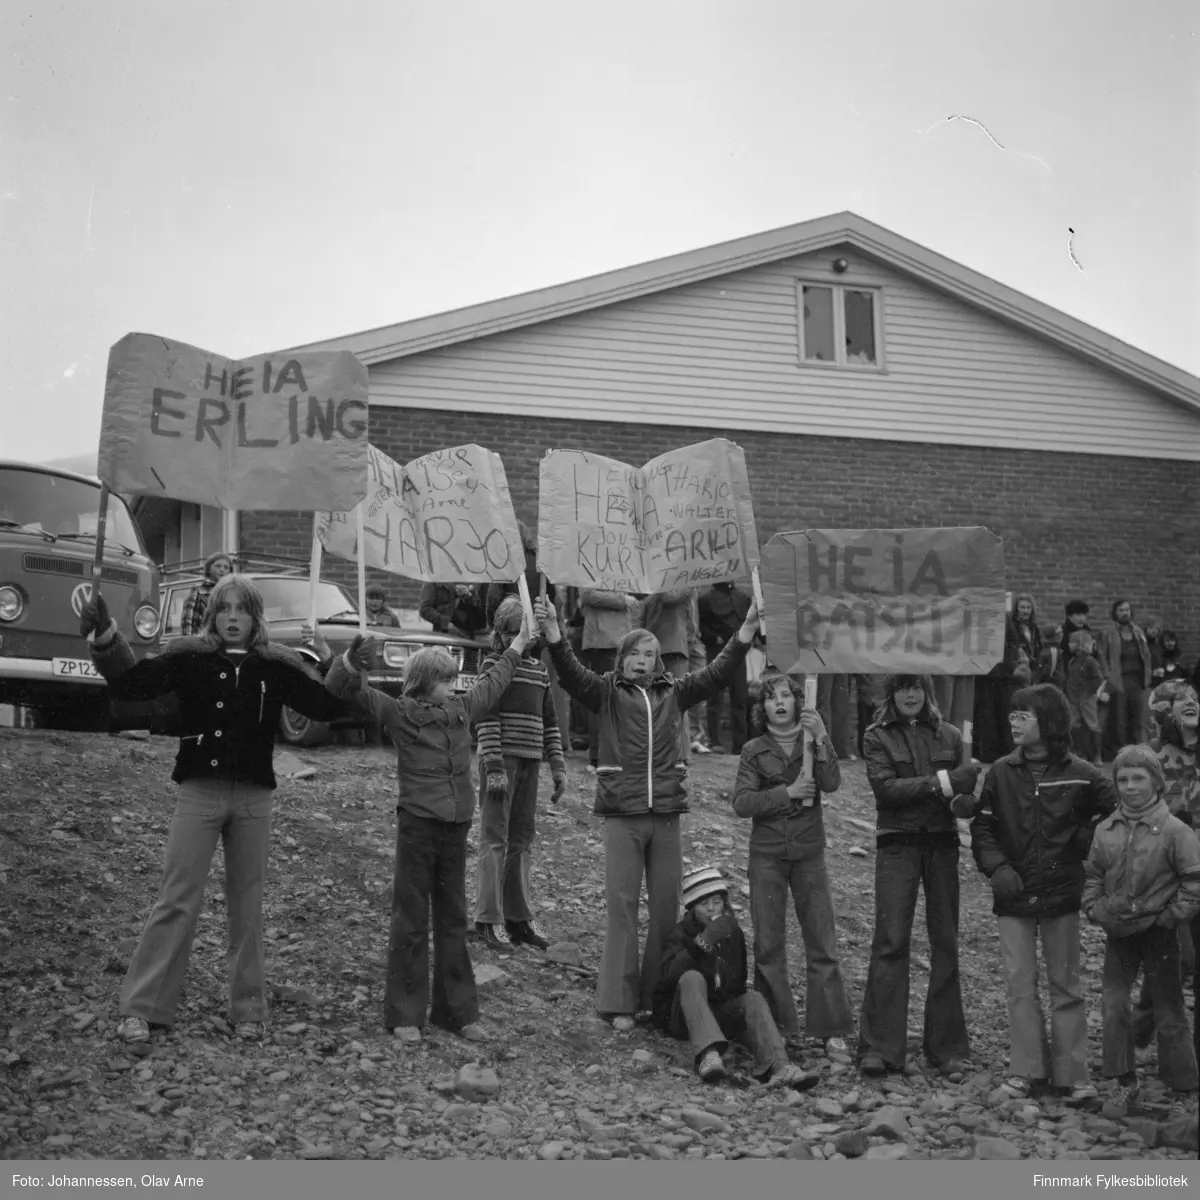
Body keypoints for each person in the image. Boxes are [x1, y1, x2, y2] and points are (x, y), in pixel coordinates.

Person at [80, 575, 350, 1043]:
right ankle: (143, 1007)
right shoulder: (188, 659)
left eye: (241, 609)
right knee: (176, 897)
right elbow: (129, 684)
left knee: (248, 906)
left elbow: (328, 706)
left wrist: (339, 661)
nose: (231, 618)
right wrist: (105, 637)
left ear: (255, 617)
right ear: (211, 615)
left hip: (253, 799)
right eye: (223, 609)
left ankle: (248, 1011)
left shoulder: (277, 665)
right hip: (199, 793)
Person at [535, 593, 759, 1029]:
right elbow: (569, 673)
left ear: (660, 662)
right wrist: (554, 635)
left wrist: (746, 631)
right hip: (623, 814)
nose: (643, 659)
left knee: (665, 911)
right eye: (635, 652)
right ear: (622, 658)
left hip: (668, 814)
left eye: (651, 654)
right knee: (621, 908)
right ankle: (618, 1002)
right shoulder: (605, 690)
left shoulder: (676, 691)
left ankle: (658, 1001)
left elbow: (717, 674)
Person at [323, 614, 531, 1042]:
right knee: (411, 918)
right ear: (422, 681)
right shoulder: (397, 712)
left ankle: (456, 1012)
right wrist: (348, 659)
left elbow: (495, 683)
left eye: (454, 678)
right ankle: (405, 1015)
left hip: (456, 828)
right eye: (444, 679)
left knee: (454, 918)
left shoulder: (463, 708)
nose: (453, 685)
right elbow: (341, 690)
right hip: (417, 826)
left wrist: (519, 646)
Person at [970, 683, 1115, 1103]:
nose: (1014, 722)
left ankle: (1074, 1076)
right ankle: (1026, 1071)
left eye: (1024, 716)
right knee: (1019, 983)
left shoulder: (1083, 773)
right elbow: (983, 826)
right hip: (1012, 893)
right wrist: (996, 867)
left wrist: (1084, 841)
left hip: (1062, 890)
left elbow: (1114, 812)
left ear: (1048, 721)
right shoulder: (999, 772)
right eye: (1012, 715)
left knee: (1066, 985)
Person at [858, 675, 979, 1077]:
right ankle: (880, 1047)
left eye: (917, 688)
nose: (910, 696)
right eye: (901, 688)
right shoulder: (876, 736)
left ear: (928, 694)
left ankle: (945, 1048)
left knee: (946, 941)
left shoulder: (950, 734)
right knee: (891, 940)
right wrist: (945, 782)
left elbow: (960, 802)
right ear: (890, 695)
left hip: (942, 844)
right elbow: (886, 789)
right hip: (897, 844)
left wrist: (968, 797)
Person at [732, 674, 854, 1054]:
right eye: (771, 698)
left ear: (799, 703)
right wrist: (788, 792)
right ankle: (776, 1029)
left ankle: (830, 1028)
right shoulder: (754, 750)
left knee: (822, 940)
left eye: (786, 695)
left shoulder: (811, 740)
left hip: (808, 853)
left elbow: (832, 782)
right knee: (768, 943)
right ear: (762, 707)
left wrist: (821, 737)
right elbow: (742, 803)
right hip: (766, 854)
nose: (779, 702)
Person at [1081, 744, 1200, 1109]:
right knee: (1114, 1004)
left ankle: (1181, 1082)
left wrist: (1169, 916)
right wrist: (1096, 909)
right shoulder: (1105, 829)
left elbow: (1194, 884)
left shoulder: (1176, 831)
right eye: (1123, 779)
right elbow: (1093, 877)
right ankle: (1122, 1077)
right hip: (1119, 933)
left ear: (1157, 783)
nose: (1131, 786)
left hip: (1161, 931)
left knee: (1169, 1006)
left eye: (1139, 778)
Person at [653, 866, 819, 1089]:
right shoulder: (679, 934)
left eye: (717, 901)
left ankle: (780, 1066)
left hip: (719, 1015)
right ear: (692, 908)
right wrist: (703, 943)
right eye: (704, 904)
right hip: (685, 1017)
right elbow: (668, 979)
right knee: (691, 977)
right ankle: (708, 1056)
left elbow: (737, 984)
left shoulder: (732, 933)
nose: (712, 909)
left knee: (753, 998)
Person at [472, 596, 567, 952]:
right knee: (494, 837)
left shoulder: (540, 671)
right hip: (500, 764)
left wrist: (557, 766)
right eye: (521, 633)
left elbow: (550, 723)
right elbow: (486, 716)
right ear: (502, 634)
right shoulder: (494, 666)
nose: (529, 639)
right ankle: (487, 919)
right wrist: (494, 767)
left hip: (530, 764)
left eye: (533, 633)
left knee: (522, 839)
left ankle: (518, 917)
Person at [1133, 681, 1200, 1051]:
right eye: (1178, 700)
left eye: (1194, 698)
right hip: (1170, 877)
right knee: (1178, 960)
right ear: (1162, 711)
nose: (1190, 703)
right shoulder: (1152, 757)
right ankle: (1141, 1025)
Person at [578, 588, 642, 769]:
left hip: (622, 640)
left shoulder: (619, 564)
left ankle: (617, 754)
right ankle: (598, 756)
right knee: (604, 697)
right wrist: (623, 600)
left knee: (621, 697)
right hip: (603, 641)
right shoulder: (592, 562)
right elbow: (588, 594)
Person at [698, 581, 752, 754]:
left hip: (737, 654)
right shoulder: (705, 600)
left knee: (740, 698)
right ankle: (714, 741)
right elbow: (702, 625)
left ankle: (740, 745)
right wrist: (715, 638)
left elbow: (748, 623)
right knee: (715, 698)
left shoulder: (743, 598)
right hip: (716, 653)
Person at [641, 588, 695, 763]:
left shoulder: (684, 584)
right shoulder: (654, 590)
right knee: (656, 701)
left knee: (678, 700)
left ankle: (682, 753)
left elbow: (669, 597)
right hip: (653, 648)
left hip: (674, 648)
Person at [1098, 599, 1152, 754]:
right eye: (1121, 610)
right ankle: (1120, 750)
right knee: (1118, 719)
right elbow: (1102, 656)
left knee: (1136, 717)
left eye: (1127, 610)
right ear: (1115, 612)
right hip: (1118, 681)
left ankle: (1136, 749)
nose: (1125, 613)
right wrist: (1107, 676)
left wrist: (1147, 676)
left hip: (1137, 681)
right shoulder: (1108, 632)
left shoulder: (1138, 632)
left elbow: (1146, 655)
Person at [1064, 630, 1105, 766]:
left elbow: (1098, 679)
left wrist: (1088, 693)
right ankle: (1078, 753)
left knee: (1093, 725)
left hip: (1087, 699)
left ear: (1080, 644)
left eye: (1072, 642)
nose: (1069, 645)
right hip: (1073, 699)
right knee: (1074, 725)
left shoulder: (1090, 661)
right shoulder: (1072, 661)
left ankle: (1097, 756)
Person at [180, 551, 234, 635]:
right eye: (218, 566)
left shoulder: (233, 592)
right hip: (203, 642)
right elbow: (187, 622)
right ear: (209, 569)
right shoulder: (199, 591)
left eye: (226, 567)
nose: (222, 570)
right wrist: (189, 644)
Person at [419, 580, 488, 639]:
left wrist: (468, 596)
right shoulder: (432, 580)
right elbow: (425, 609)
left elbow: (480, 612)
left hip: (468, 635)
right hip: (443, 636)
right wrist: (446, 624)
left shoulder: (468, 578)